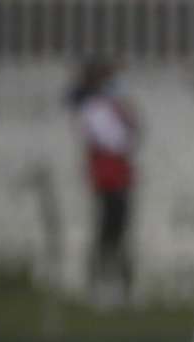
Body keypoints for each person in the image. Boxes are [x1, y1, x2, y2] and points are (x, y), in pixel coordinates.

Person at [66, 58, 142, 308]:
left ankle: (121, 287)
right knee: (106, 234)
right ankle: (100, 285)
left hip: (119, 177)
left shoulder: (111, 107)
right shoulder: (93, 109)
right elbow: (116, 140)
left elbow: (133, 130)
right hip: (107, 179)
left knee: (119, 233)